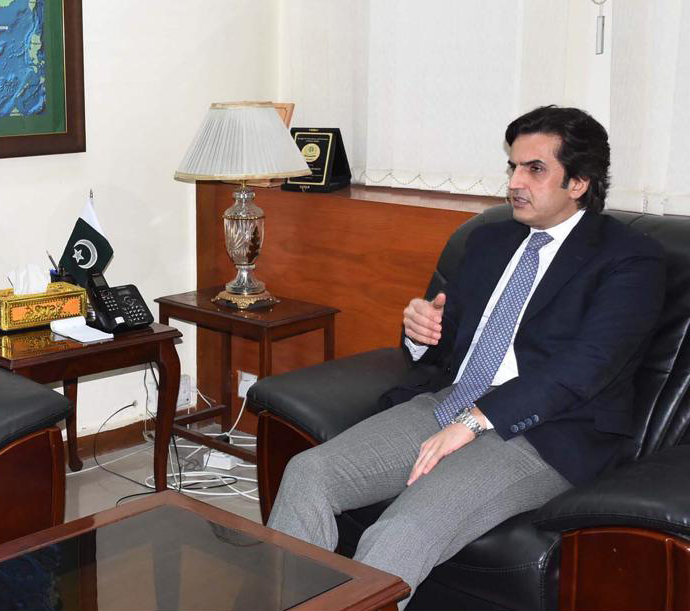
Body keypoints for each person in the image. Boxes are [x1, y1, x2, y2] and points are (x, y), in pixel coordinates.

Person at [266, 106, 666, 607]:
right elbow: (448, 337)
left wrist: (478, 420)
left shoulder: (628, 259)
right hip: (451, 400)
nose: (515, 182)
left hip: (543, 432)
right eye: (513, 167)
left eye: (535, 169)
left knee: (402, 529)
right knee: (309, 474)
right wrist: (421, 331)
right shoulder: (490, 238)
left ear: (579, 182)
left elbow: (586, 368)